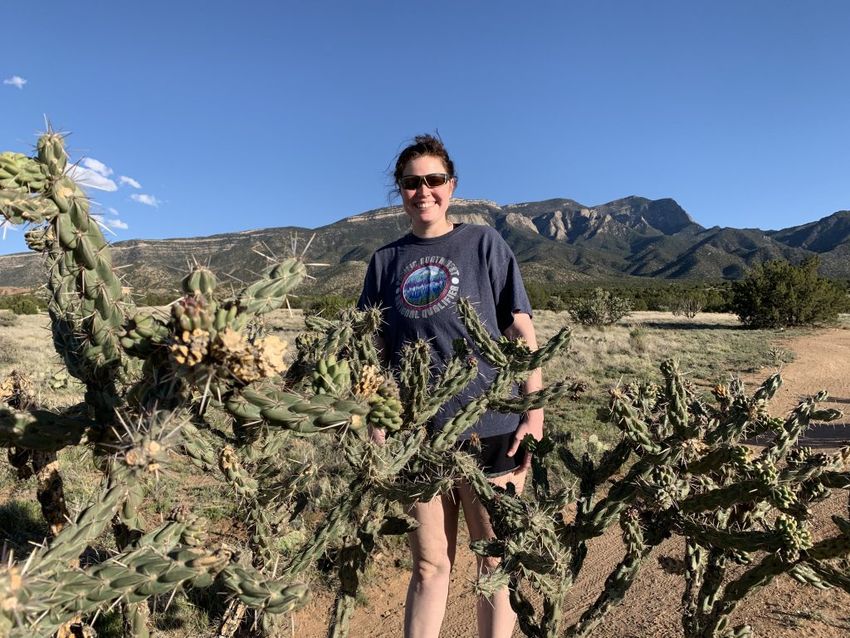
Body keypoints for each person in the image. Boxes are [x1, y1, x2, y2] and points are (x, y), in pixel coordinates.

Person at [357, 134, 543, 638]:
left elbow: (519, 330)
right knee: (428, 565)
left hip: (493, 427)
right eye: (412, 182)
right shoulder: (384, 261)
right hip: (417, 437)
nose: (424, 191)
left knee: (494, 563)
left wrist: (534, 413)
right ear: (400, 190)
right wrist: (379, 425)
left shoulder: (483, 242)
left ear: (451, 186)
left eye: (434, 180)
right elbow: (371, 353)